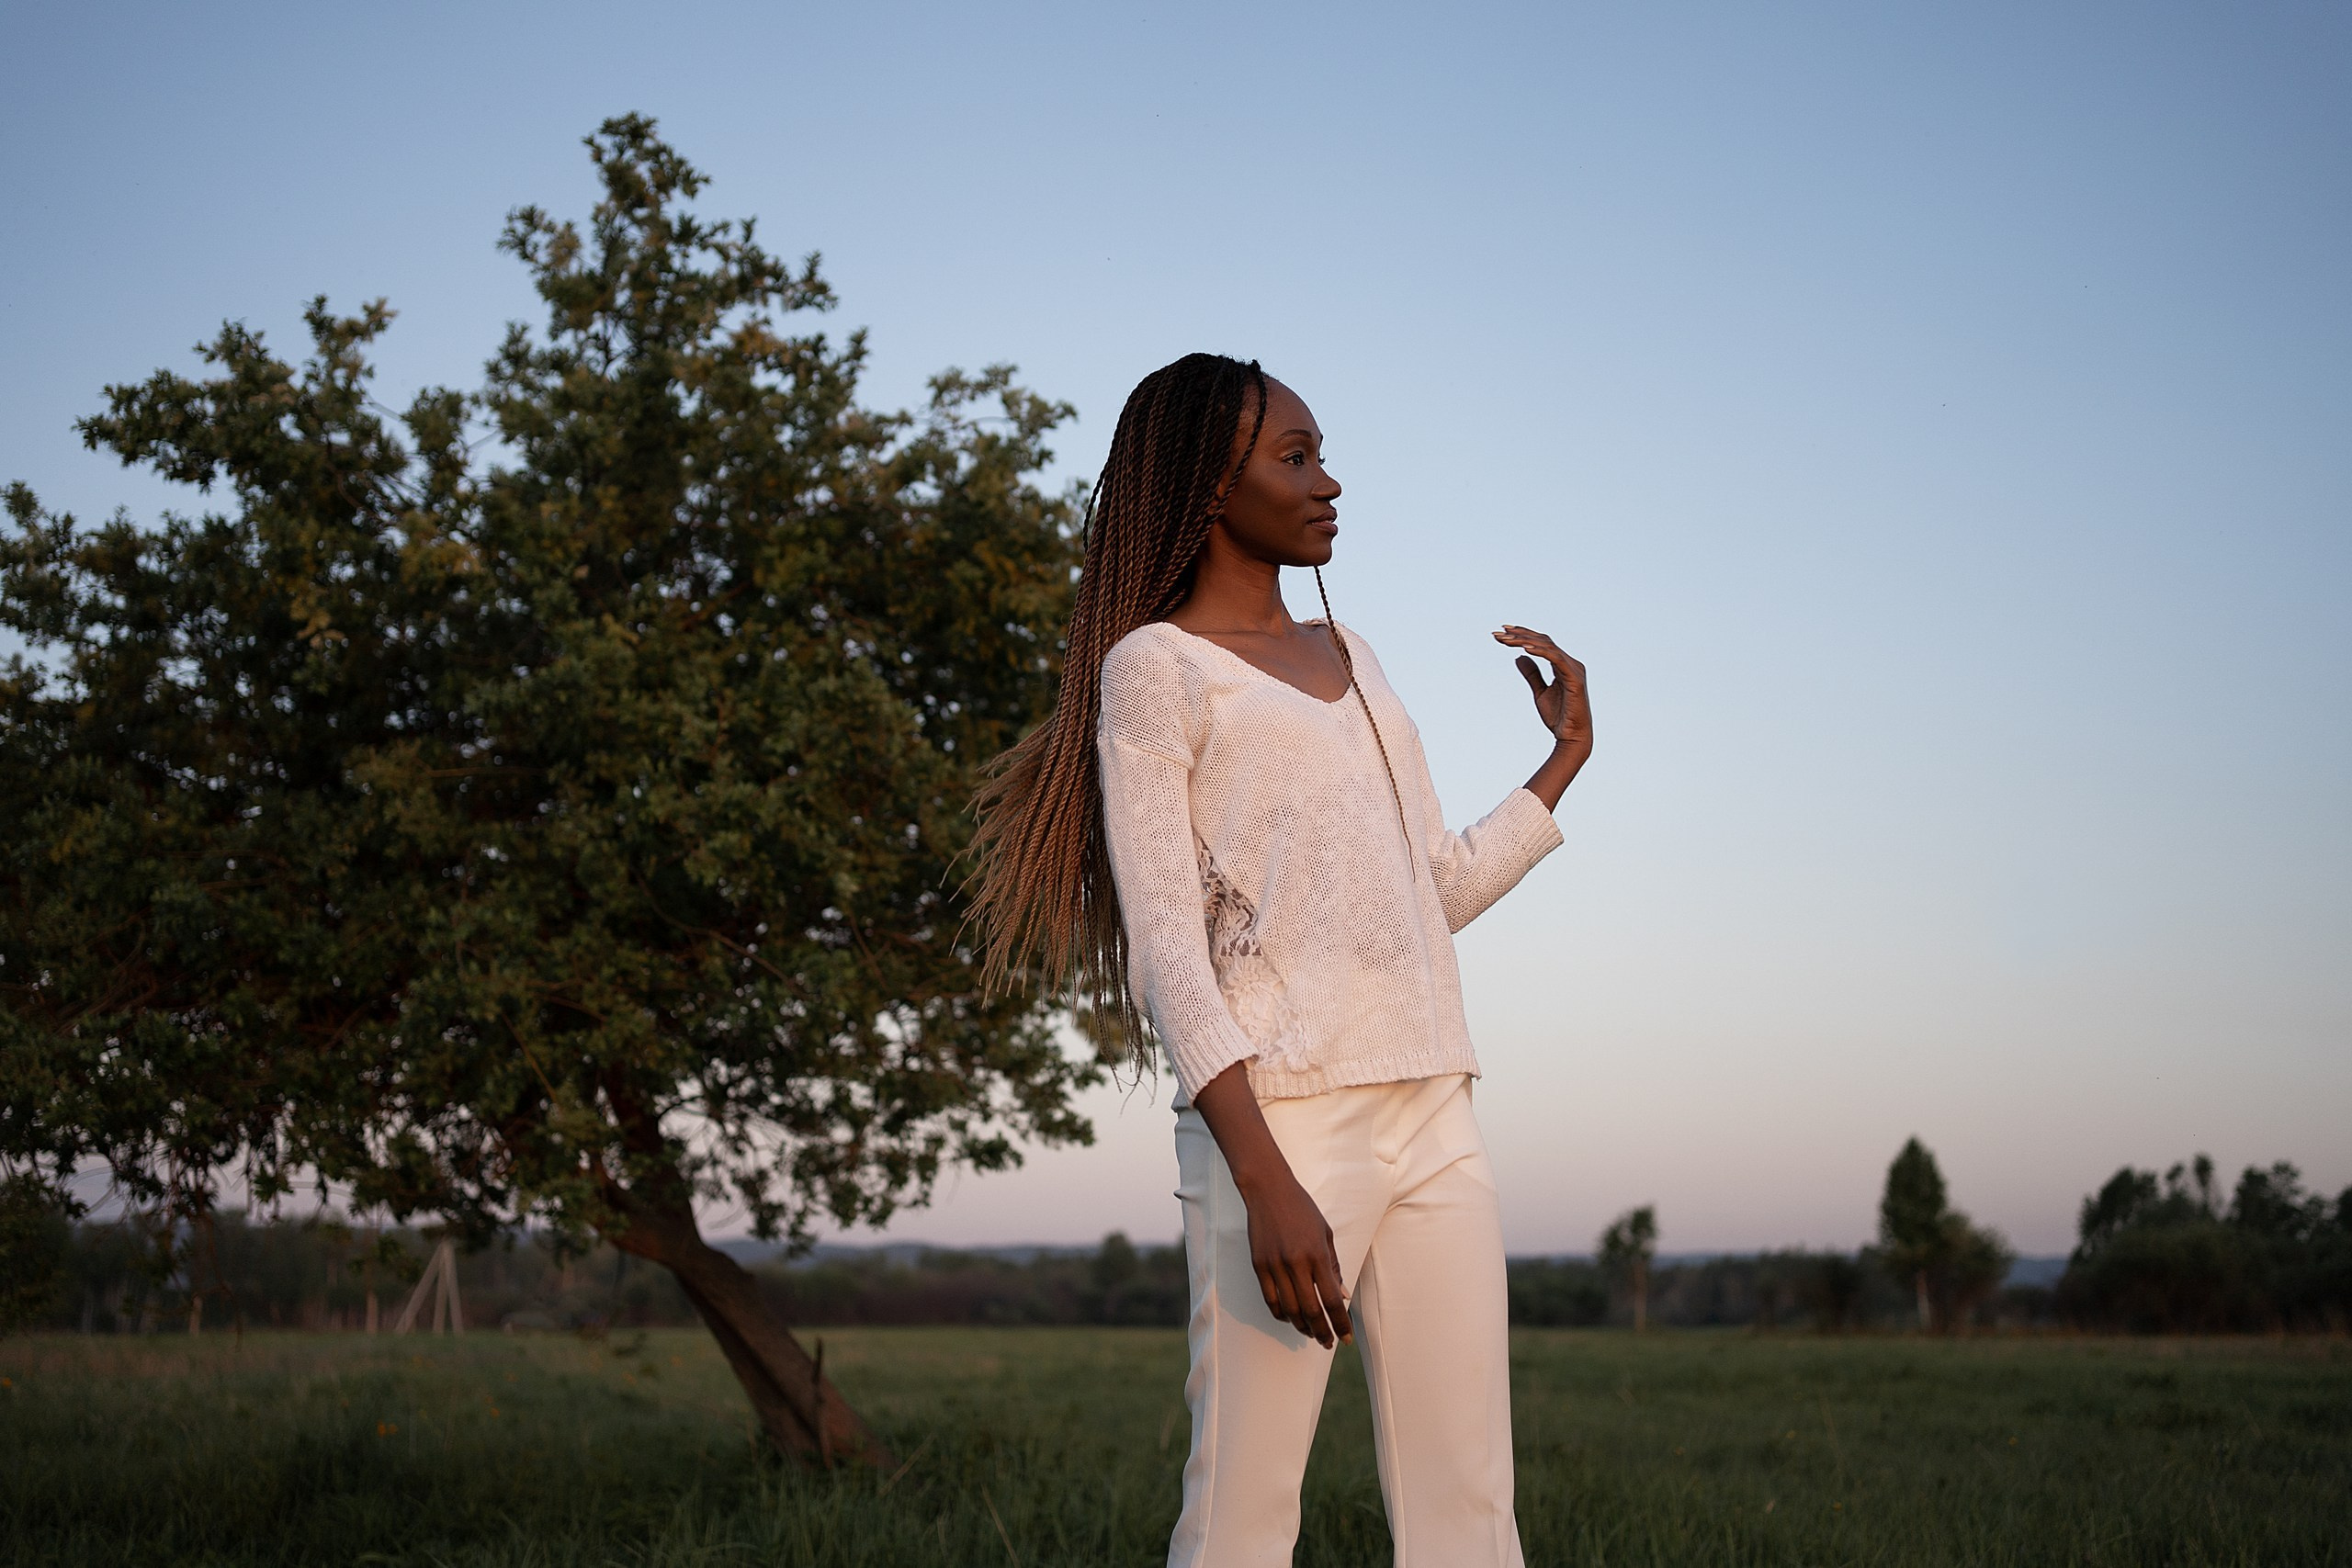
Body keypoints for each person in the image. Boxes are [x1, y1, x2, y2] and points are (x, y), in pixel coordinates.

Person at [970, 353, 1592, 1567]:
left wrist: (1562, 763)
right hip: (1280, 1130)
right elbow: (1168, 963)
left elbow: (1434, 893)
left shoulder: (1355, 657)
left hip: (1436, 1111)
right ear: (1211, 486)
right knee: (1244, 1517)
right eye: (1296, 458)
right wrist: (1264, 1179)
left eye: (1323, 454)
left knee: (1473, 1513)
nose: (1330, 481)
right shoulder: (1155, 671)